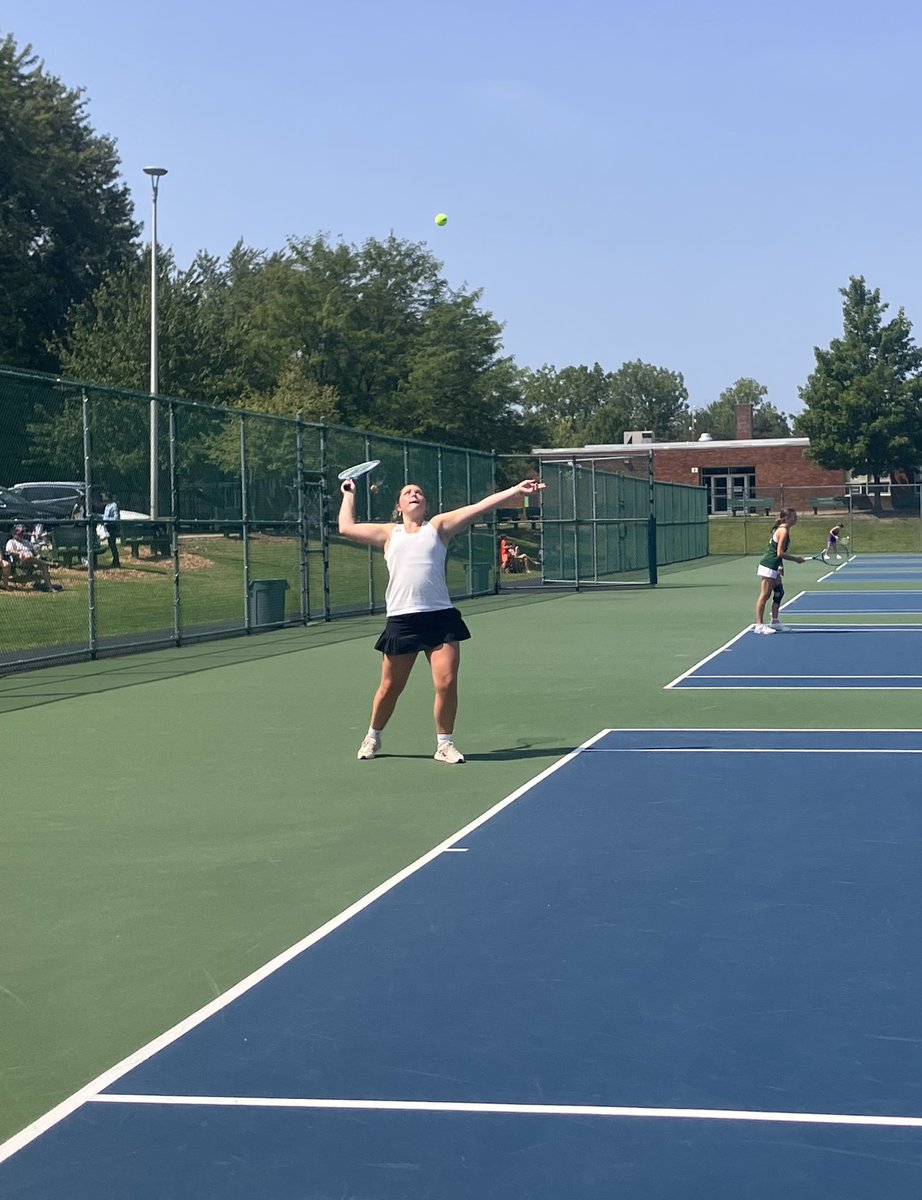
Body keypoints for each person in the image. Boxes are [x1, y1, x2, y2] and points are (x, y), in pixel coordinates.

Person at [340, 476, 546, 763]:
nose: (414, 494)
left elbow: (479, 507)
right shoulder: (389, 534)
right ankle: (373, 735)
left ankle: (444, 744)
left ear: (425, 504)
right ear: (399, 506)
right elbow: (346, 528)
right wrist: (349, 495)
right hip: (402, 620)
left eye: (419, 492)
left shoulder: (438, 528)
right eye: (407, 492)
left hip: (440, 618)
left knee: (447, 682)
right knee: (390, 687)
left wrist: (515, 490)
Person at [753, 508, 804, 634]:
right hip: (768, 565)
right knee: (764, 595)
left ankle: (774, 621)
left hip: (774, 565)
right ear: (786, 518)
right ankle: (759, 625)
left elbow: (778, 551)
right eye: (794, 516)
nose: (796, 518)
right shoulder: (783, 531)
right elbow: (780, 553)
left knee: (779, 593)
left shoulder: (783, 529)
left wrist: (780, 566)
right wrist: (796, 559)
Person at [5, 525, 54, 590]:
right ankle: (42, 562)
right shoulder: (11, 542)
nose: (21, 536)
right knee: (26, 556)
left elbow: (35, 552)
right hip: (19, 561)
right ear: (14, 535)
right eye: (18, 534)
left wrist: (37, 555)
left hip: (32, 560)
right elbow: (9, 551)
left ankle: (49, 587)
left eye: (21, 534)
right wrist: (19, 552)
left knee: (44, 565)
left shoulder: (26, 542)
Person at [101, 492, 121, 568]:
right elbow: (105, 516)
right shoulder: (107, 506)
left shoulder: (114, 506)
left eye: (104, 496)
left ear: (107, 497)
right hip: (107, 527)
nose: (103, 498)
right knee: (111, 544)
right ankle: (115, 560)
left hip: (112, 527)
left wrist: (106, 519)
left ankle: (116, 561)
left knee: (113, 544)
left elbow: (116, 518)